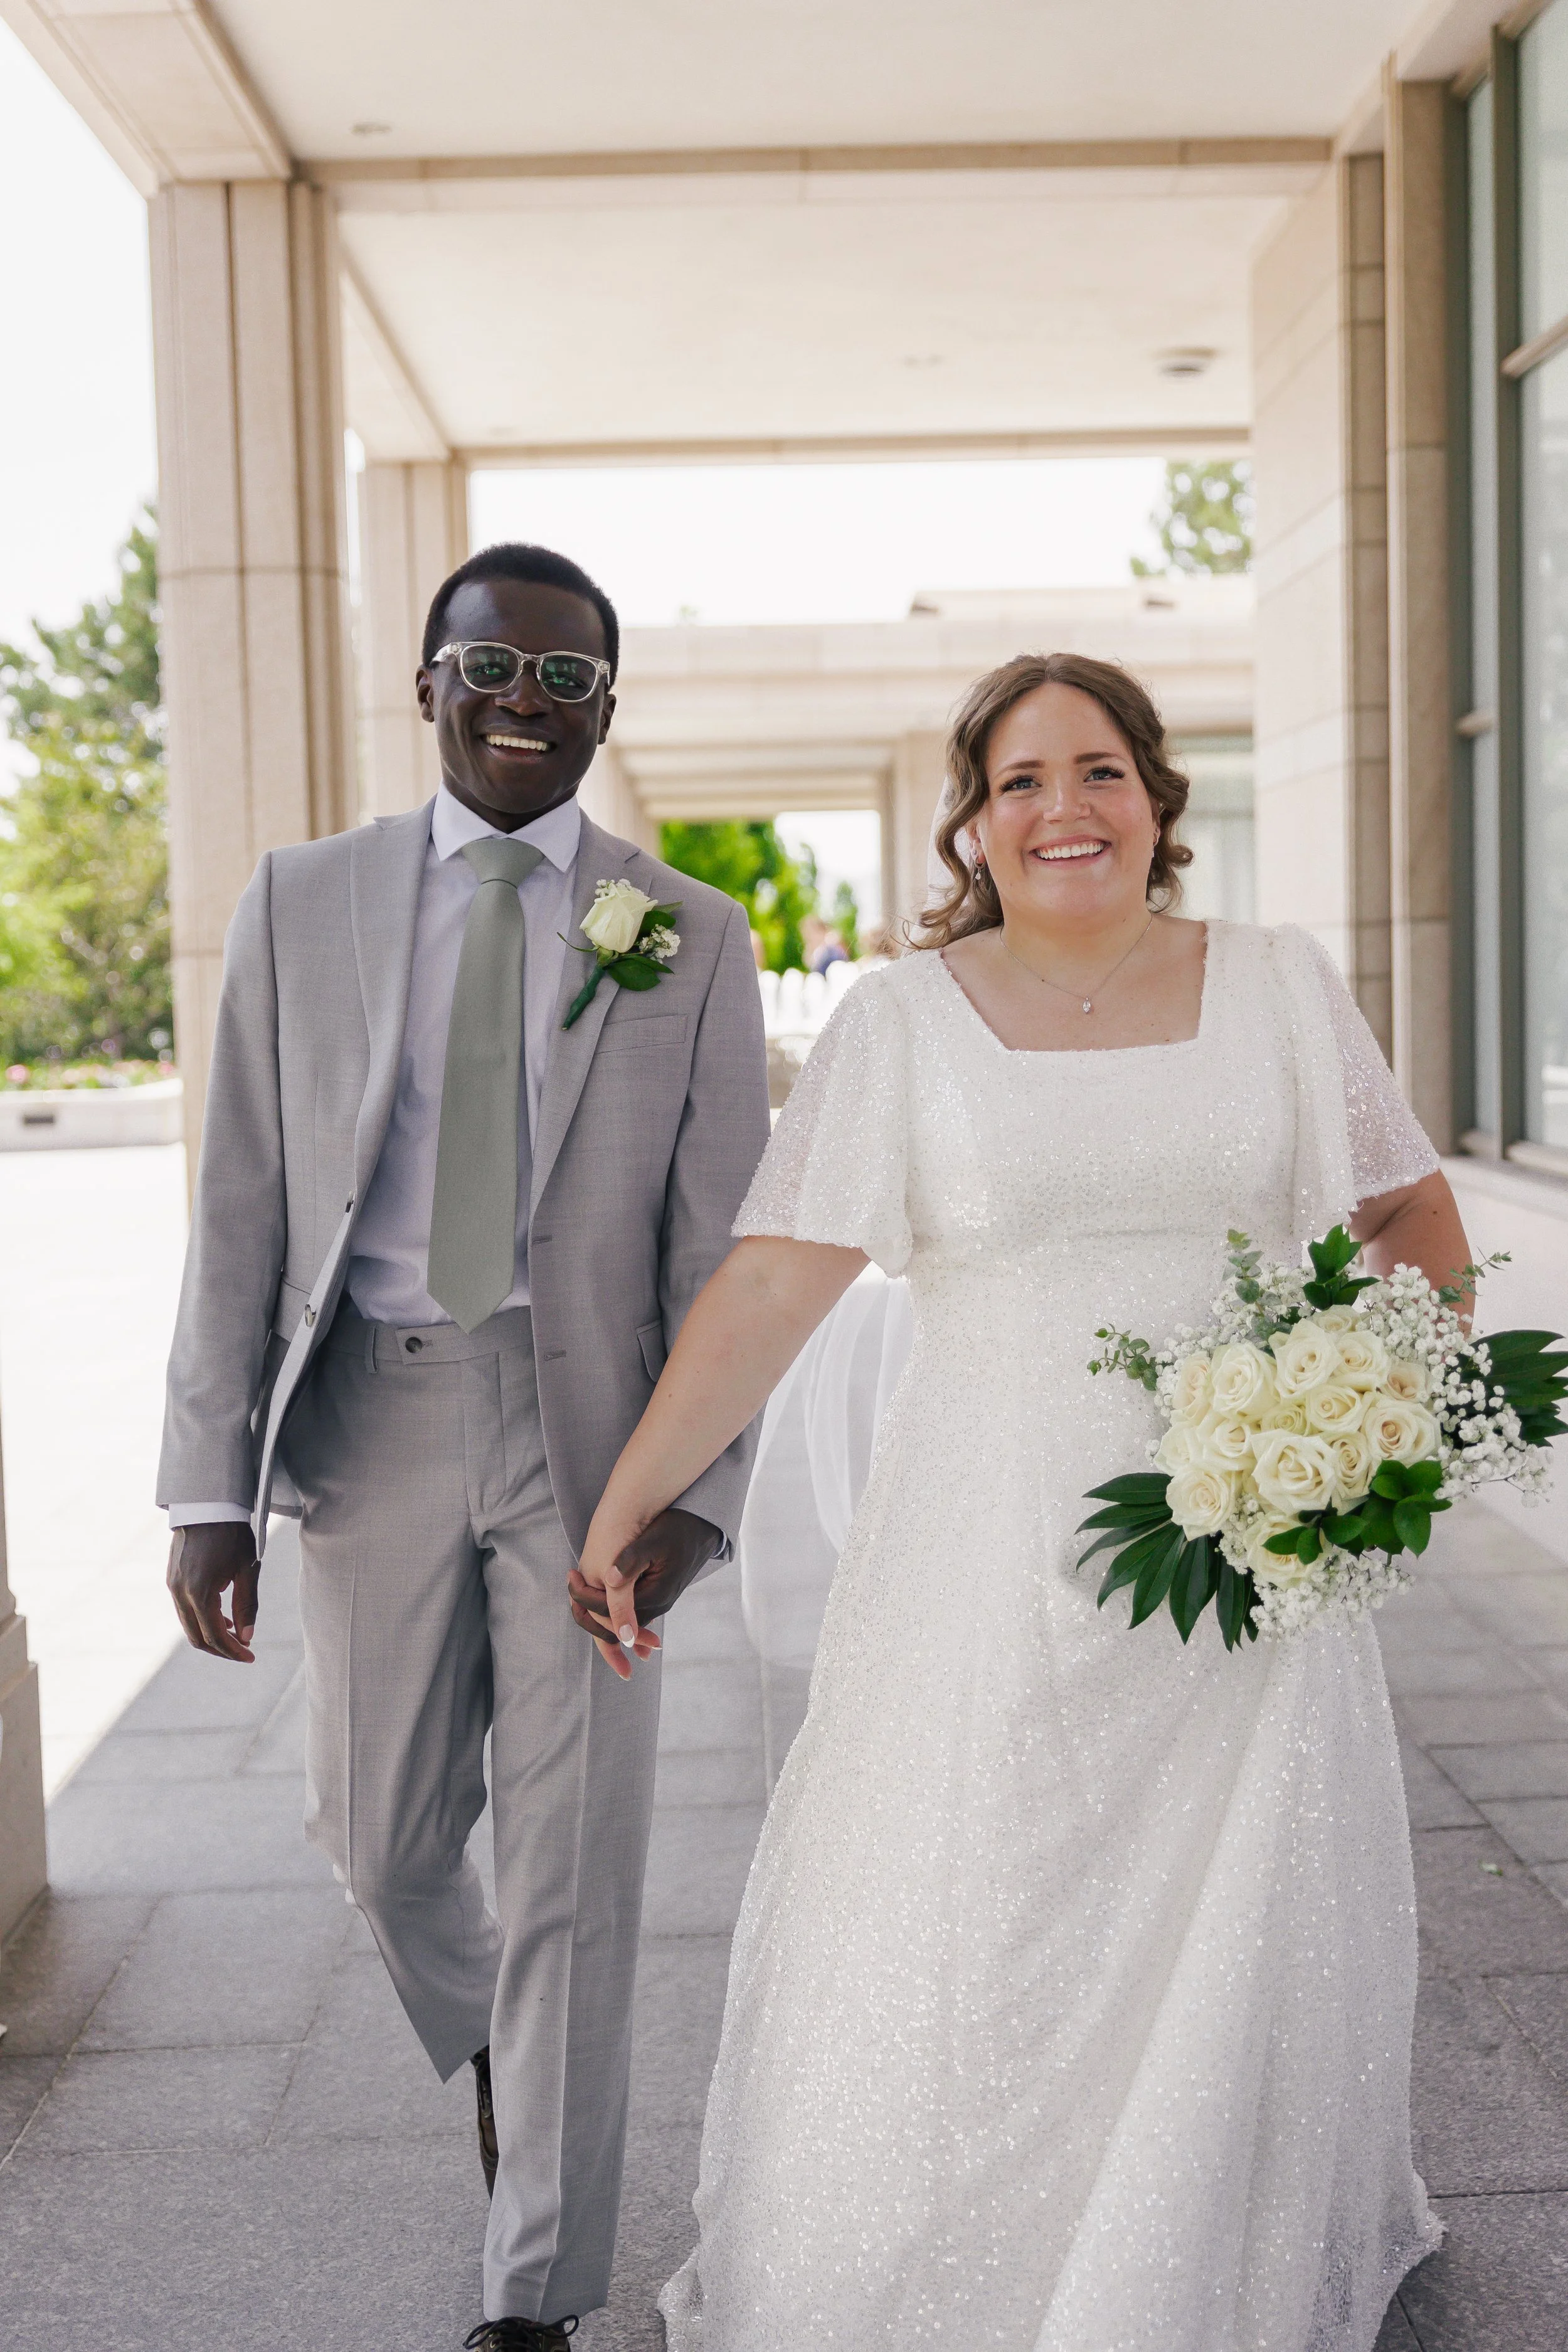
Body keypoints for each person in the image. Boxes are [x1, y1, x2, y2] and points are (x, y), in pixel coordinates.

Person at [575, 650, 1459, 2351]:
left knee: (1223, 1924)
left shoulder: (1276, 983)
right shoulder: (900, 1020)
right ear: (969, 822)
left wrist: (1366, 1425)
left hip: (1239, 1550)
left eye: (1102, 770)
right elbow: (774, 1280)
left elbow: (1407, 1212)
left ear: (1157, 801)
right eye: (1022, 780)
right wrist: (630, 1495)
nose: (1065, 808)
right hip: (981, 1539)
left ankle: (1183, 2252)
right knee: (973, 1900)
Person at [159, 542, 770, 2351]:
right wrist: (209, 1486)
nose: (527, 700)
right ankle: (518, 2028)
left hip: (595, 1439)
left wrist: (697, 1494)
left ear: (605, 705)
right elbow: (243, 1202)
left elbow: (718, 1251)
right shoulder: (302, 900)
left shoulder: (691, 929)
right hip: (368, 1414)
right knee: (373, 1837)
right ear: (426, 683)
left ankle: (535, 2285)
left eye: (568, 676)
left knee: (576, 1871)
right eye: (491, 666)